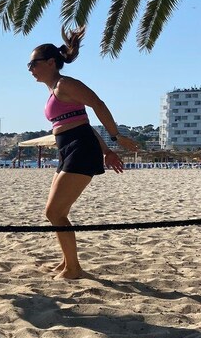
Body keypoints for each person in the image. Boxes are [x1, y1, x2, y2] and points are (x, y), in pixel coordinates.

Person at [28, 27, 139, 279]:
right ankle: (68, 262)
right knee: (56, 212)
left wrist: (116, 136)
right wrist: (107, 151)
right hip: (69, 148)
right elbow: (83, 123)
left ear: (50, 62)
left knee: (54, 212)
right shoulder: (52, 90)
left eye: (33, 63)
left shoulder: (66, 84)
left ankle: (74, 268)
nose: (30, 69)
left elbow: (97, 104)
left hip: (80, 148)